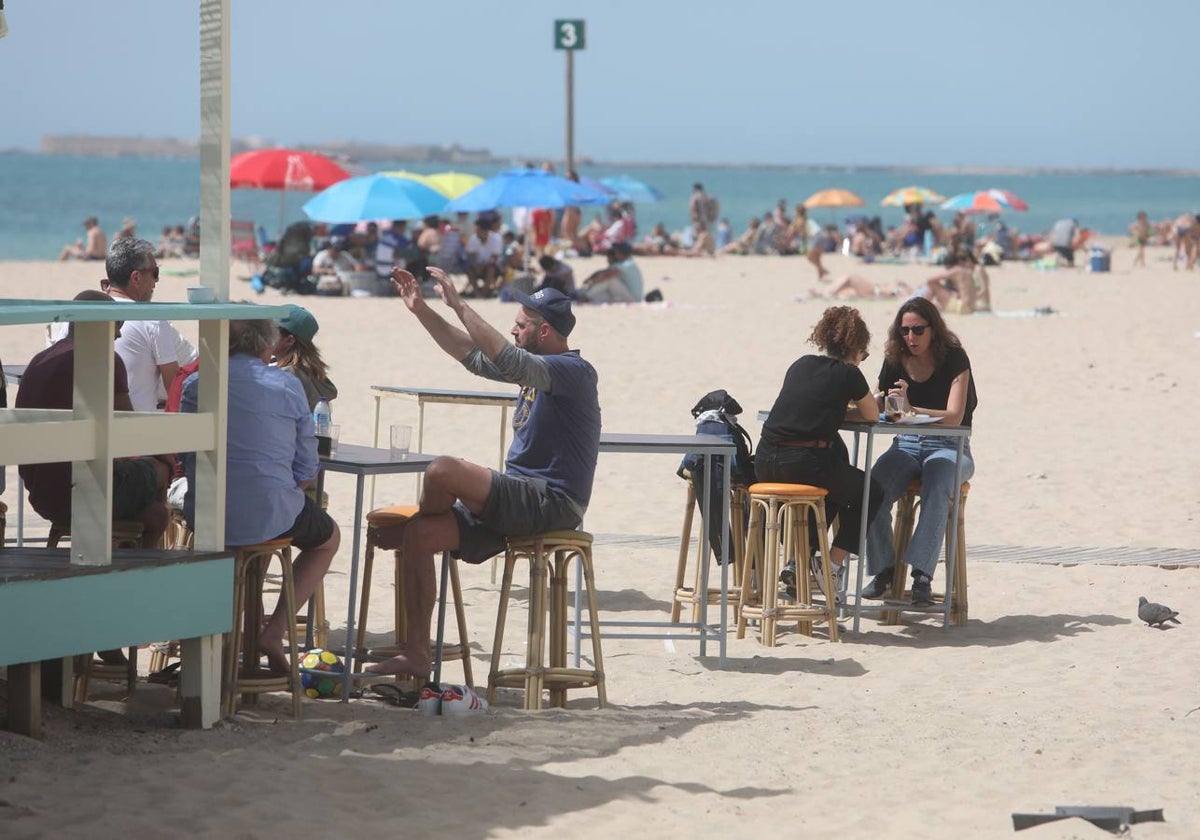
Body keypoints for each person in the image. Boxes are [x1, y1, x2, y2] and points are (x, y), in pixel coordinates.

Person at [367, 267, 601, 678]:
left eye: (521, 324)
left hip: (552, 501)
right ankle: (418, 655)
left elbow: (507, 358)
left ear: (544, 332)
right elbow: (472, 357)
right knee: (419, 535)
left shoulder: (572, 371)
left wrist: (459, 304)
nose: (512, 329)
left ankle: (429, 518)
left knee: (441, 471)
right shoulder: (535, 368)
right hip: (520, 500)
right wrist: (421, 310)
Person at [181, 319, 341, 674]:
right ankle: (274, 631)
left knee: (227, 536)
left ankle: (222, 636)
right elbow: (306, 468)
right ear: (266, 343)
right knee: (328, 539)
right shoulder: (286, 384)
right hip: (270, 514)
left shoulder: (196, 384)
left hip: (208, 515)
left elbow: (186, 458)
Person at [17, 290, 172, 549]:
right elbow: (128, 431)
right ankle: (135, 574)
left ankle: (117, 551)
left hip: (41, 491)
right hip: (80, 491)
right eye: (117, 325)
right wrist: (163, 457)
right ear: (104, 324)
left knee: (153, 515)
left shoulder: (40, 359)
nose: (119, 334)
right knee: (160, 469)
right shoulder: (103, 357)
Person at [861, 297, 977, 606]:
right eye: (904, 331)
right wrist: (876, 404)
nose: (910, 338)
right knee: (872, 489)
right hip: (907, 443)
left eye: (917, 330)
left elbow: (954, 416)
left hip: (950, 445)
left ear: (933, 330)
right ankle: (884, 570)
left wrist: (912, 409)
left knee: (938, 486)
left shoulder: (954, 358)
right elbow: (880, 401)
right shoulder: (895, 358)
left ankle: (921, 574)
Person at [756, 306, 883, 589]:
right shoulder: (849, 374)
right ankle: (832, 565)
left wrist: (840, 411)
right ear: (855, 349)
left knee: (838, 474)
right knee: (870, 491)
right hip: (801, 463)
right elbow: (873, 414)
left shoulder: (801, 364)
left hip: (765, 461)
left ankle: (800, 560)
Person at [106, 237, 182, 411]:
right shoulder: (151, 319)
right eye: (155, 273)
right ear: (136, 278)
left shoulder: (75, 317)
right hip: (137, 429)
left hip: (84, 426)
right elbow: (175, 390)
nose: (156, 281)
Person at [273, 305, 337, 412]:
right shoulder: (310, 372)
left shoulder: (288, 377)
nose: (264, 334)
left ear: (289, 340)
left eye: (270, 331)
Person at [465, 217, 504, 297]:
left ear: (485, 231)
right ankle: (477, 293)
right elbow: (472, 257)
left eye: (477, 230)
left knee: (491, 269)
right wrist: (476, 266)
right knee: (469, 269)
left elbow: (494, 259)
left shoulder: (496, 238)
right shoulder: (473, 238)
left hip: (493, 267)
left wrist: (482, 266)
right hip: (478, 265)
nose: (476, 232)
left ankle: (483, 293)